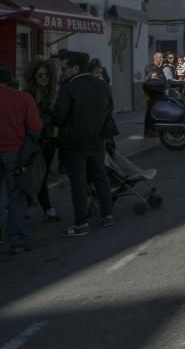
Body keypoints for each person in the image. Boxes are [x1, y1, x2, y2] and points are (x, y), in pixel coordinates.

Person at [54, 51, 116, 237]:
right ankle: (108, 215)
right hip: (97, 140)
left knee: (78, 184)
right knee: (100, 178)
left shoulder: (69, 88)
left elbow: (59, 117)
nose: (62, 72)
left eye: (64, 68)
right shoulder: (102, 85)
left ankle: (81, 223)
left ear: (75, 68)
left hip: (74, 143)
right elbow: (110, 109)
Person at [0, 62, 43, 253]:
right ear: (9, 80)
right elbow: (36, 126)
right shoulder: (23, 99)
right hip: (14, 152)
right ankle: (16, 238)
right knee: (15, 196)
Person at [22, 58, 61, 222]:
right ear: (34, 77)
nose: (44, 78)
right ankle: (29, 207)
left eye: (46, 75)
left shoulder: (53, 94)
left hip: (49, 142)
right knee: (31, 176)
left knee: (42, 176)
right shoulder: (27, 95)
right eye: (40, 75)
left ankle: (46, 209)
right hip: (31, 143)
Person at [143, 51, 164, 137]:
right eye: (160, 57)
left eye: (162, 57)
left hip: (159, 93)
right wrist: (160, 67)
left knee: (157, 112)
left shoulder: (162, 68)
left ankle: (155, 129)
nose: (162, 59)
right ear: (155, 58)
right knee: (150, 112)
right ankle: (148, 130)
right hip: (151, 93)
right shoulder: (149, 66)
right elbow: (153, 73)